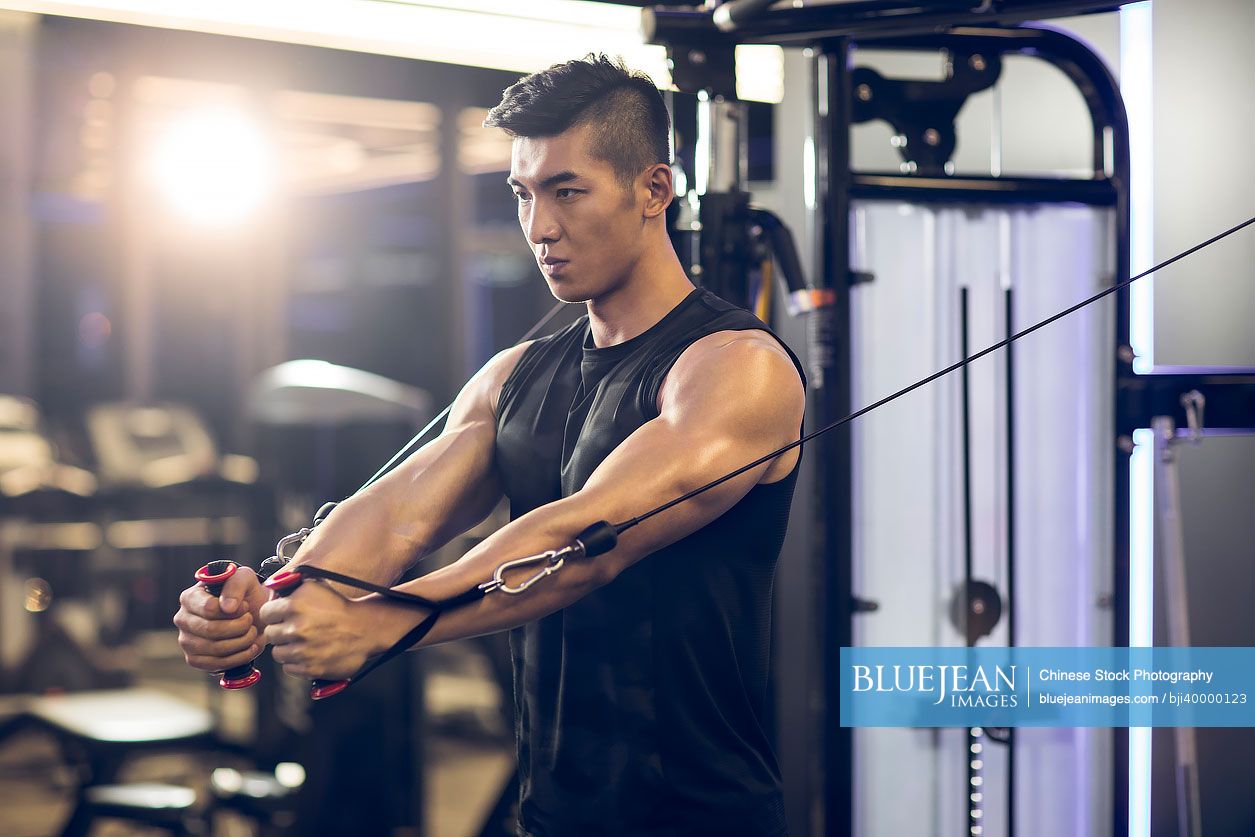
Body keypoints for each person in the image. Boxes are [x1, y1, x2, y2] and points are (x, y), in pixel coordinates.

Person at [174, 54, 805, 837]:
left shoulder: (736, 369)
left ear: (653, 190)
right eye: (522, 194)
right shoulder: (516, 375)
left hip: (701, 818)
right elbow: (397, 513)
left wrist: (385, 622)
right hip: (551, 812)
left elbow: (586, 537)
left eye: (566, 191)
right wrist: (280, 599)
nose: (539, 227)